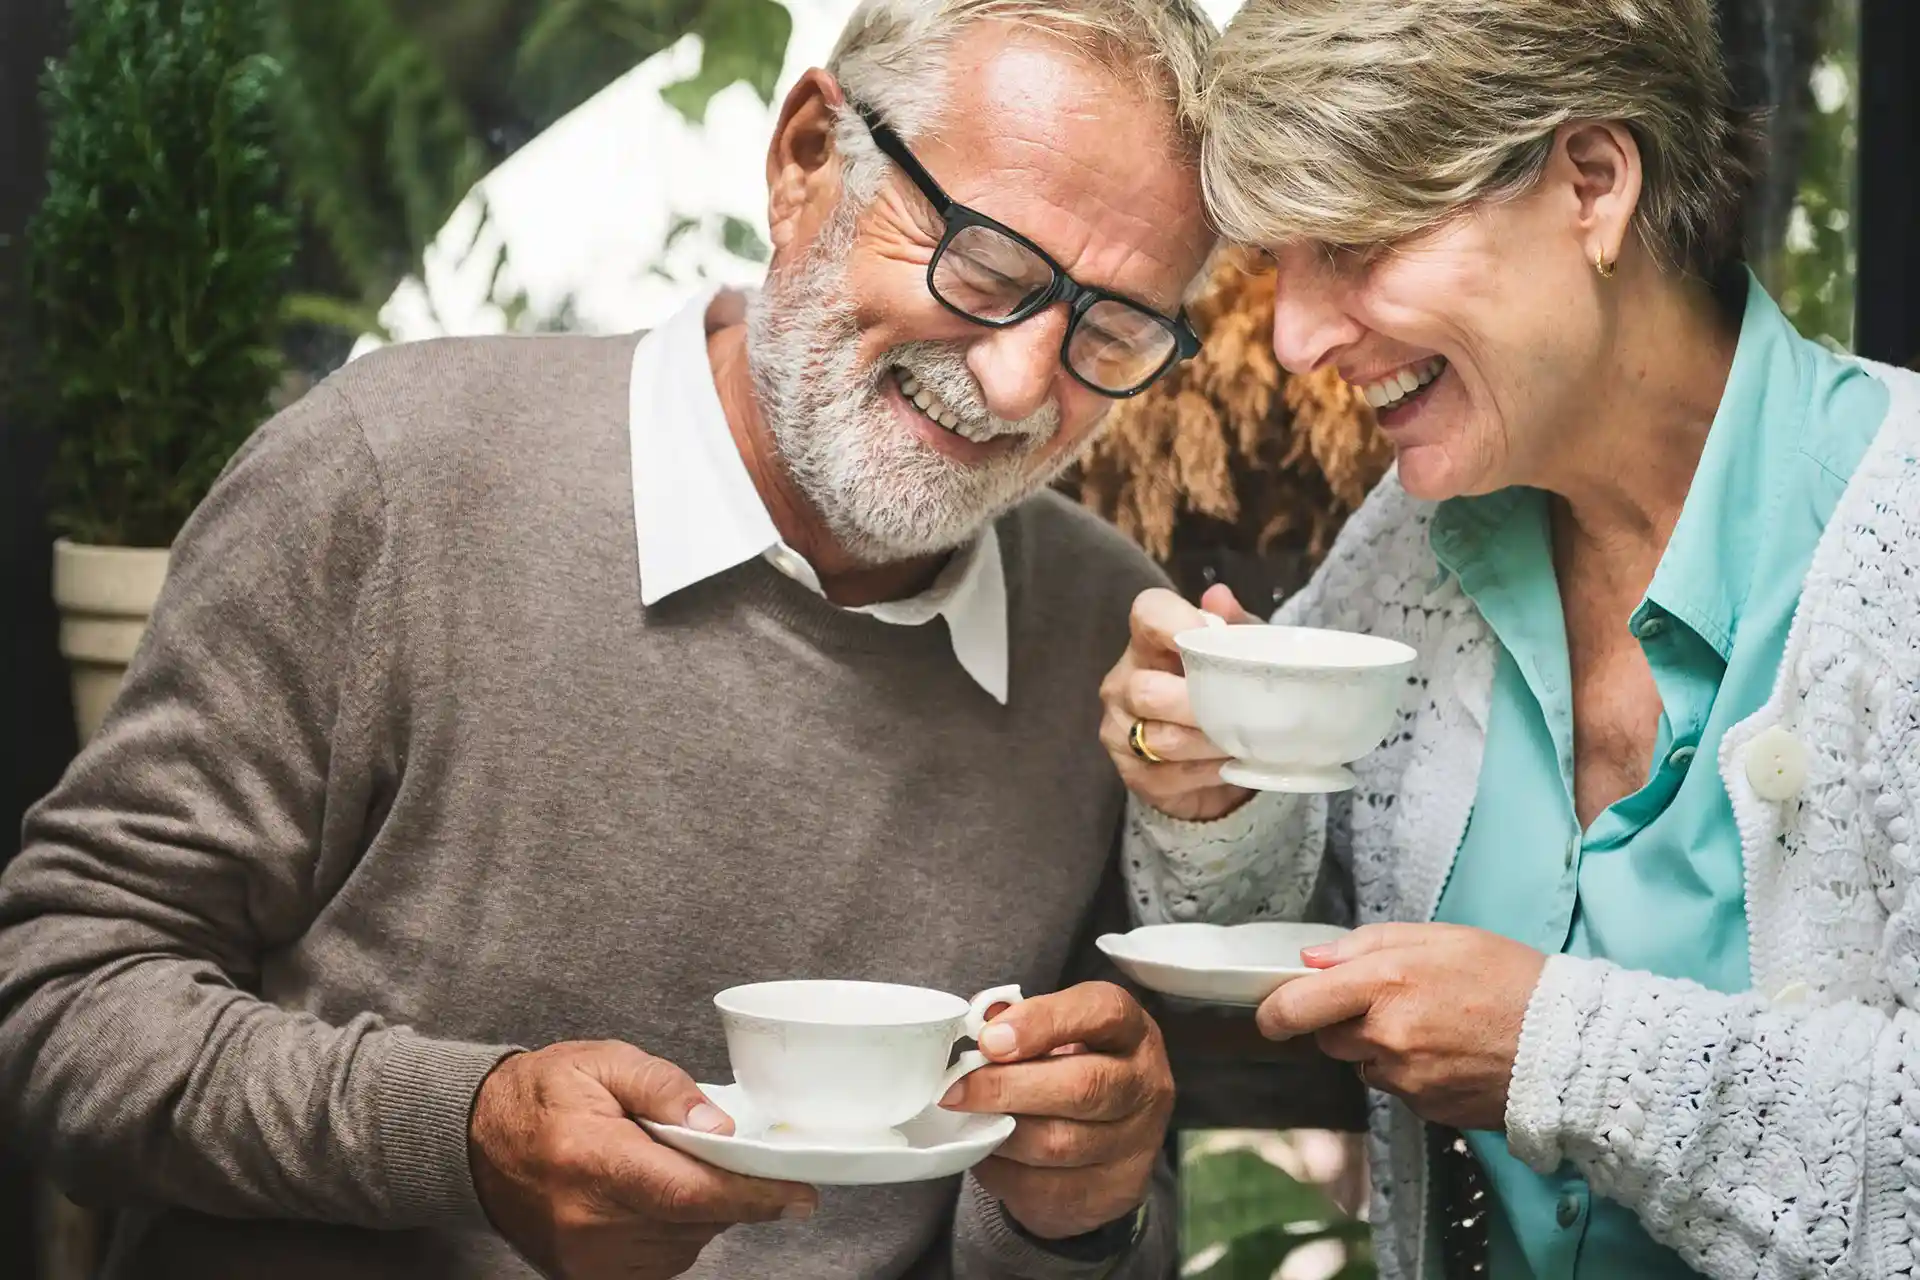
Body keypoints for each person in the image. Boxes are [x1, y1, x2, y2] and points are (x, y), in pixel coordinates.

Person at [0, 2, 1221, 1276]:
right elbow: (58, 999)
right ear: (807, 157)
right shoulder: (395, 475)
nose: (1024, 384)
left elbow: (1081, 1196)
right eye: (984, 266)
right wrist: (461, 1132)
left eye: (1116, 329)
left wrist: (1078, 1207)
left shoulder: (1105, 634)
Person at [1100, 1, 1920, 1278]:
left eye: (1355, 243)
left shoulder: (1901, 529)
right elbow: (1263, 915)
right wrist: (1212, 789)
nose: (1297, 338)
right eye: (1281, 264)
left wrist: (1561, 1048)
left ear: (1592, 184)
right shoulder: (1414, 540)